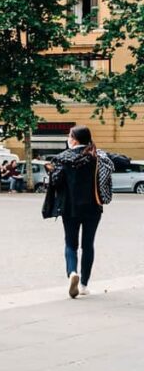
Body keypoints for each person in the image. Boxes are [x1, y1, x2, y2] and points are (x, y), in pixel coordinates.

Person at [47, 125, 114, 299]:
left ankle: (72, 273)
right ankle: (84, 285)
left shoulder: (62, 158)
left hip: (70, 208)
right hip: (93, 207)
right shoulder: (97, 157)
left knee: (70, 244)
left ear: (74, 139)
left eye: (69, 135)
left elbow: (56, 183)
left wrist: (53, 172)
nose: (68, 138)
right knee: (88, 245)